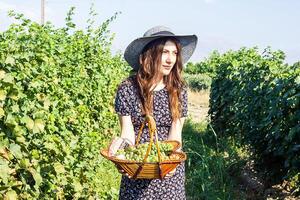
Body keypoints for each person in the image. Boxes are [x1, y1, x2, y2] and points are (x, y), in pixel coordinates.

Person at [109, 25, 197, 200]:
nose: (170, 59)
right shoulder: (128, 88)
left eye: (175, 53)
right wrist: (123, 154)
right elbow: (127, 133)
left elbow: (175, 136)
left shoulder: (178, 90)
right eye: (165, 52)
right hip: (139, 169)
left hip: (168, 170)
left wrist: (170, 163)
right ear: (150, 53)